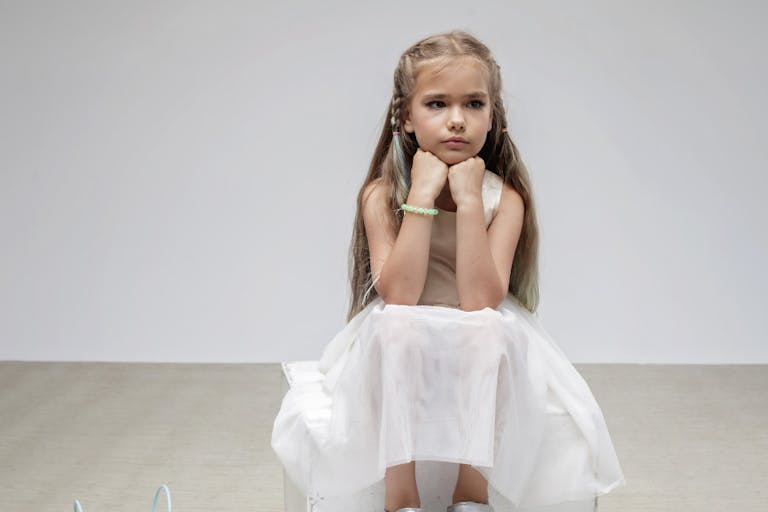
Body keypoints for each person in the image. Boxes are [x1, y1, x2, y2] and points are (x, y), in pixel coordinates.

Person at [271, 30, 626, 512]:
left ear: (492, 117)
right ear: (406, 117)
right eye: (437, 104)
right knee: (396, 323)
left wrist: (468, 201)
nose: (457, 119)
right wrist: (421, 195)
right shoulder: (382, 195)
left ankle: (470, 494)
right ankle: (402, 496)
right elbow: (399, 294)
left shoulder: (505, 199)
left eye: (474, 104)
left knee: (486, 327)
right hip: (404, 327)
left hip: (478, 327)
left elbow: (481, 298)